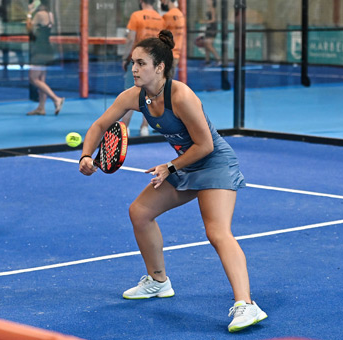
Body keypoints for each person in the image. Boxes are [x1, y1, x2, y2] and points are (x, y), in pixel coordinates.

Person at [78, 30, 267, 333]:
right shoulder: (134, 96)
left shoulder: (181, 96)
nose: (134, 69)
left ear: (160, 67)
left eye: (141, 63)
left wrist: (169, 166)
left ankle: (247, 304)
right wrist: (86, 155)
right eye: (133, 63)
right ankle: (158, 281)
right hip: (182, 165)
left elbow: (205, 145)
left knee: (217, 231)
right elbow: (101, 124)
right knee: (140, 212)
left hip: (214, 163)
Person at [120, 0, 165, 136]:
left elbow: (130, 39)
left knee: (129, 92)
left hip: (138, 60)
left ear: (141, 1)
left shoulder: (136, 16)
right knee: (149, 94)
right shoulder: (160, 19)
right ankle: (144, 128)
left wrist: (125, 57)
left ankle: (125, 128)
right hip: (153, 61)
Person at [26, 0, 64, 115]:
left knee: (33, 78)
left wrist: (29, 13)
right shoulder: (50, 14)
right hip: (47, 47)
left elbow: (29, 29)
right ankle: (41, 107)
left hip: (40, 49)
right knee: (41, 79)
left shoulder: (38, 14)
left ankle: (56, 99)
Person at [160, 0, 185, 79]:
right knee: (169, 81)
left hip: (167, 54)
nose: (162, 3)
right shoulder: (180, 15)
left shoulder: (167, 16)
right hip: (176, 54)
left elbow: (159, 35)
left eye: (162, 1)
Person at [200, 0, 221, 66]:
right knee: (206, 44)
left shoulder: (212, 9)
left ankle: (218, 59)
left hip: (212, 29)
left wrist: (205, 21)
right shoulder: (209, 8)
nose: (207, 1)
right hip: (209, 28)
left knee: (208, 44)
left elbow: (213, 20)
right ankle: (207, 61)